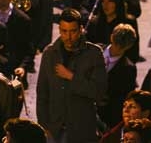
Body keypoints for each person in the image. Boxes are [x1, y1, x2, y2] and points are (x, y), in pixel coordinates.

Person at [36, 8, 106, 143]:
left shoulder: (94, 54)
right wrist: (44, 125)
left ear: (81, 29)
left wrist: (71, 77)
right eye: (64, 31)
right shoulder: (50, 53)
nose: (68, 37)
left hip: (81, 131)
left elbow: (98, 92)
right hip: (54, 130)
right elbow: (42, 93)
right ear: (59, 30)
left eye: (73, 31)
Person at [98, 23, 138, 129]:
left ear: (128, 46)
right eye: (116, 44)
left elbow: (123, 99)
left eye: (121, 47)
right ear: (111, 37)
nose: (116, 49)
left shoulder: (128, 69)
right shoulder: (95, 50)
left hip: (106, 117)